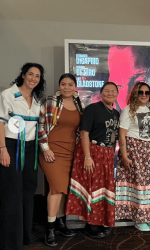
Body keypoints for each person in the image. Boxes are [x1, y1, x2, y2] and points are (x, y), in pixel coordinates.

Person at [0, 62, 46, 249]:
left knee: (28, 192)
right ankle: (11, 242)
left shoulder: (36, 100)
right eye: (30, 74)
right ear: (23, 75)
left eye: (37, 76)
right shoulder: (8, 95)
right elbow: (0, 123)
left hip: (30, 148)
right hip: (11, 146)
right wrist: (2, 149)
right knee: (12, 194)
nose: (33, 78)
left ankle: (25, 236)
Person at [65, 82, 120, 239]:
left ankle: (100, 221)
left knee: (103, 189)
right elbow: (84, 133)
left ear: (117, 94)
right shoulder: (93, 109)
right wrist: (88, 157)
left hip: (107, 155)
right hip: (92, 152)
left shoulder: (115, 113)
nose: (110, 93)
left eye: (113, 91)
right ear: (101, 93)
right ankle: (90, 224)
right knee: (92, 188)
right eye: (106, 91)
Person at [38, 73, 84, 246]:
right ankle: (49, 228)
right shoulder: (50, 101)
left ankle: (60, 222)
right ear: (59, 86)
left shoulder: (79, 104)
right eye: (63, 84)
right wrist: (46, 148)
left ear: (75, 86)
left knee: (64, 188)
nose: (66, 87)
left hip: (70, 152)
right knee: (56, 188)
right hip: (51, 151)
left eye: (70, 84)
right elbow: (40, 126)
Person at [115, 82, 150, 232]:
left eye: (146, 92)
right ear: (134, 94)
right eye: (140, 92)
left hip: (148, 149)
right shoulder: (128, 110)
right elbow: (121, 135)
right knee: (138, 185)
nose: (143, 95)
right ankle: (139, 219)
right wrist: (123, 155)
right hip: (133, 149)